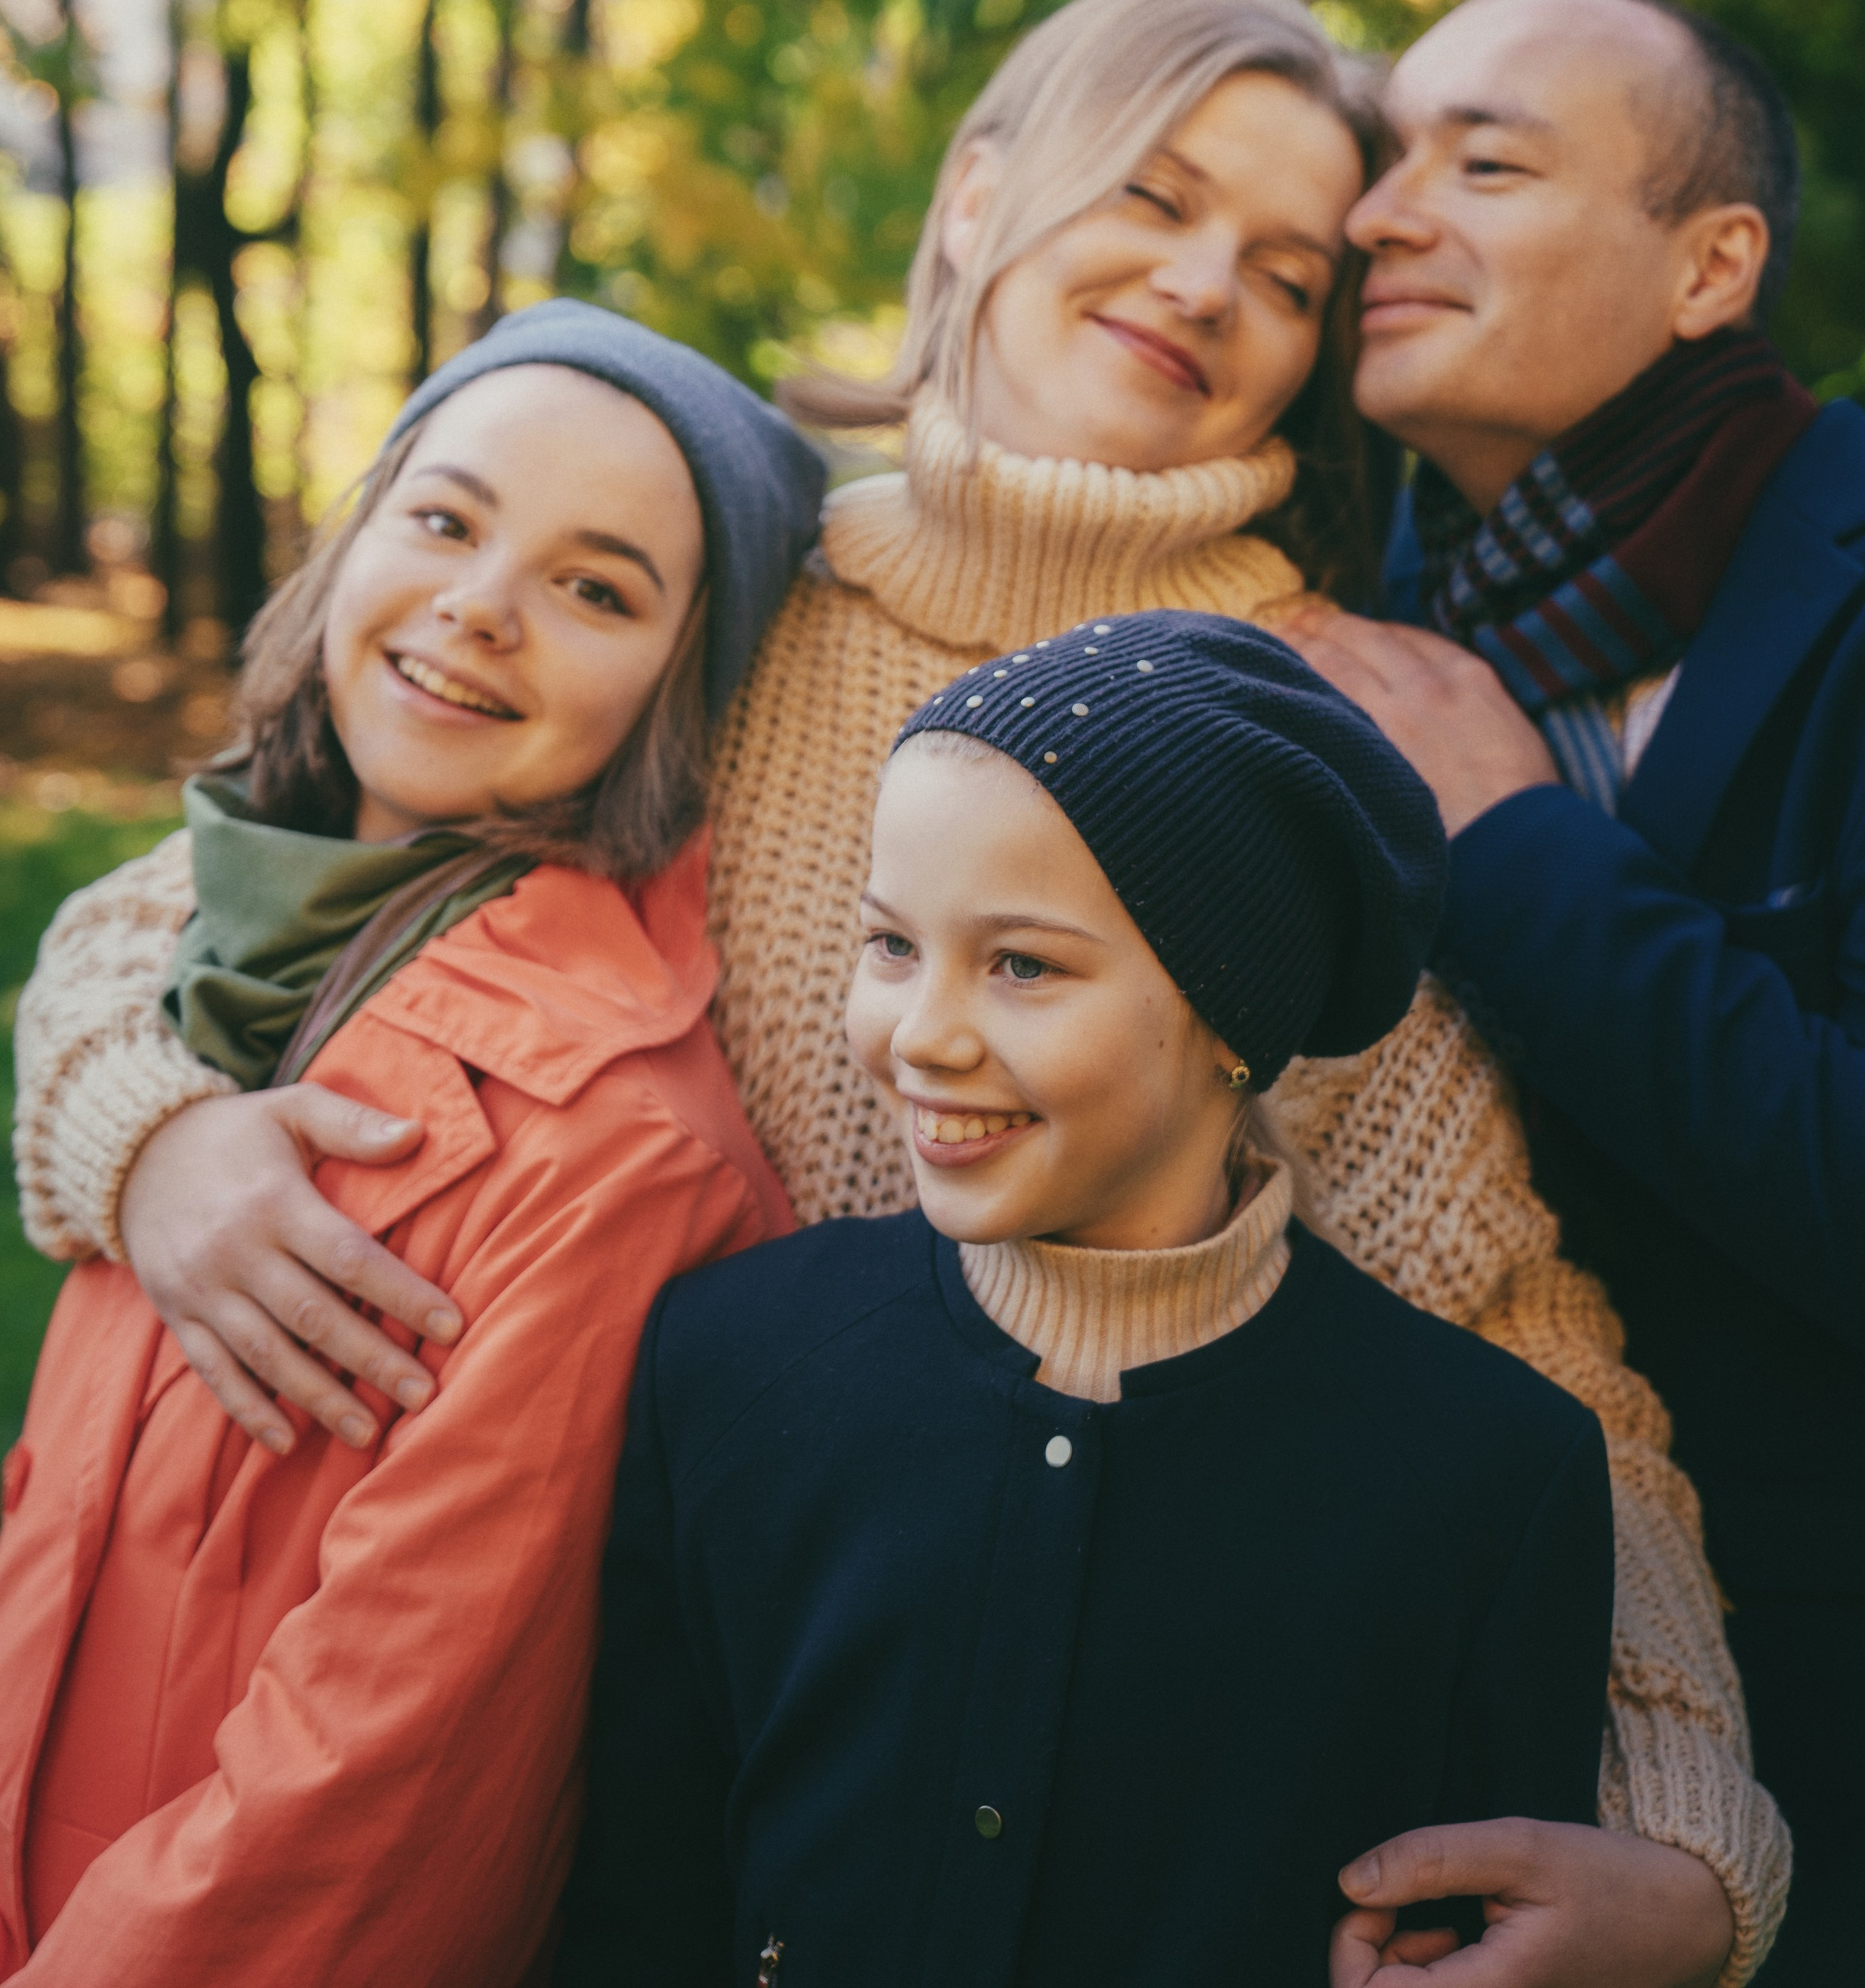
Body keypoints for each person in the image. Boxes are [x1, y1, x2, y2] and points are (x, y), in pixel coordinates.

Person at [12, 0, 1785, 1982]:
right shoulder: (732, 601)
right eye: (1154, 194)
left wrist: (1687, 1838)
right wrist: (143, 1130)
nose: (1204, 284)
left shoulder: (1291, 731)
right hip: (538, 1635)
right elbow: (249, 867)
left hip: (1005, 1725)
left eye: (1289, 273)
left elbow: (1511, 1333)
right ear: (974, 197)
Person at [556, 615, 1616, 1987]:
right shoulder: (727, 1365)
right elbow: (640, 1910)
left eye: (1023, 965)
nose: (922, 1035)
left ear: (1237, 1013)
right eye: (891, 944)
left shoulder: (1491, 1478)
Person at [0, 306, 820, 1985]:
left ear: (678, 694)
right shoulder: (188, 962)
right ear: (354, 536)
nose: (479, 605)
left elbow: (372, 1790)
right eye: (445, 519)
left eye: (597, 590)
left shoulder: (614, 1151)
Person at [1284, 0, 1856, 1979]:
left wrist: (1517, 851)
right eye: (1384, 161)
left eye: (1488, 164)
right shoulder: (1353, 614)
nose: (1377, 215)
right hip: (1427, 1721)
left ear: (1710, 266)